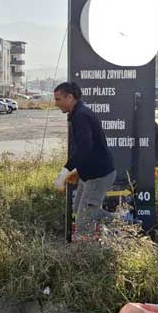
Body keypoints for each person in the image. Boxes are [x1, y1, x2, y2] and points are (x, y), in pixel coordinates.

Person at [52, 82, 116, 237]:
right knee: (78, 210)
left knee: (83, 223)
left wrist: (64, 172)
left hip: (98, 176)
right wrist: (78, 170)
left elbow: (84, 148)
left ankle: (84, 255)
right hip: (89, 175)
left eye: (58, 99)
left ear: (70, 97)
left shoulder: (81, 115)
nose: (56, 103)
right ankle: (122, 220)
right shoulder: (78, 113)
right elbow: (86, 148)